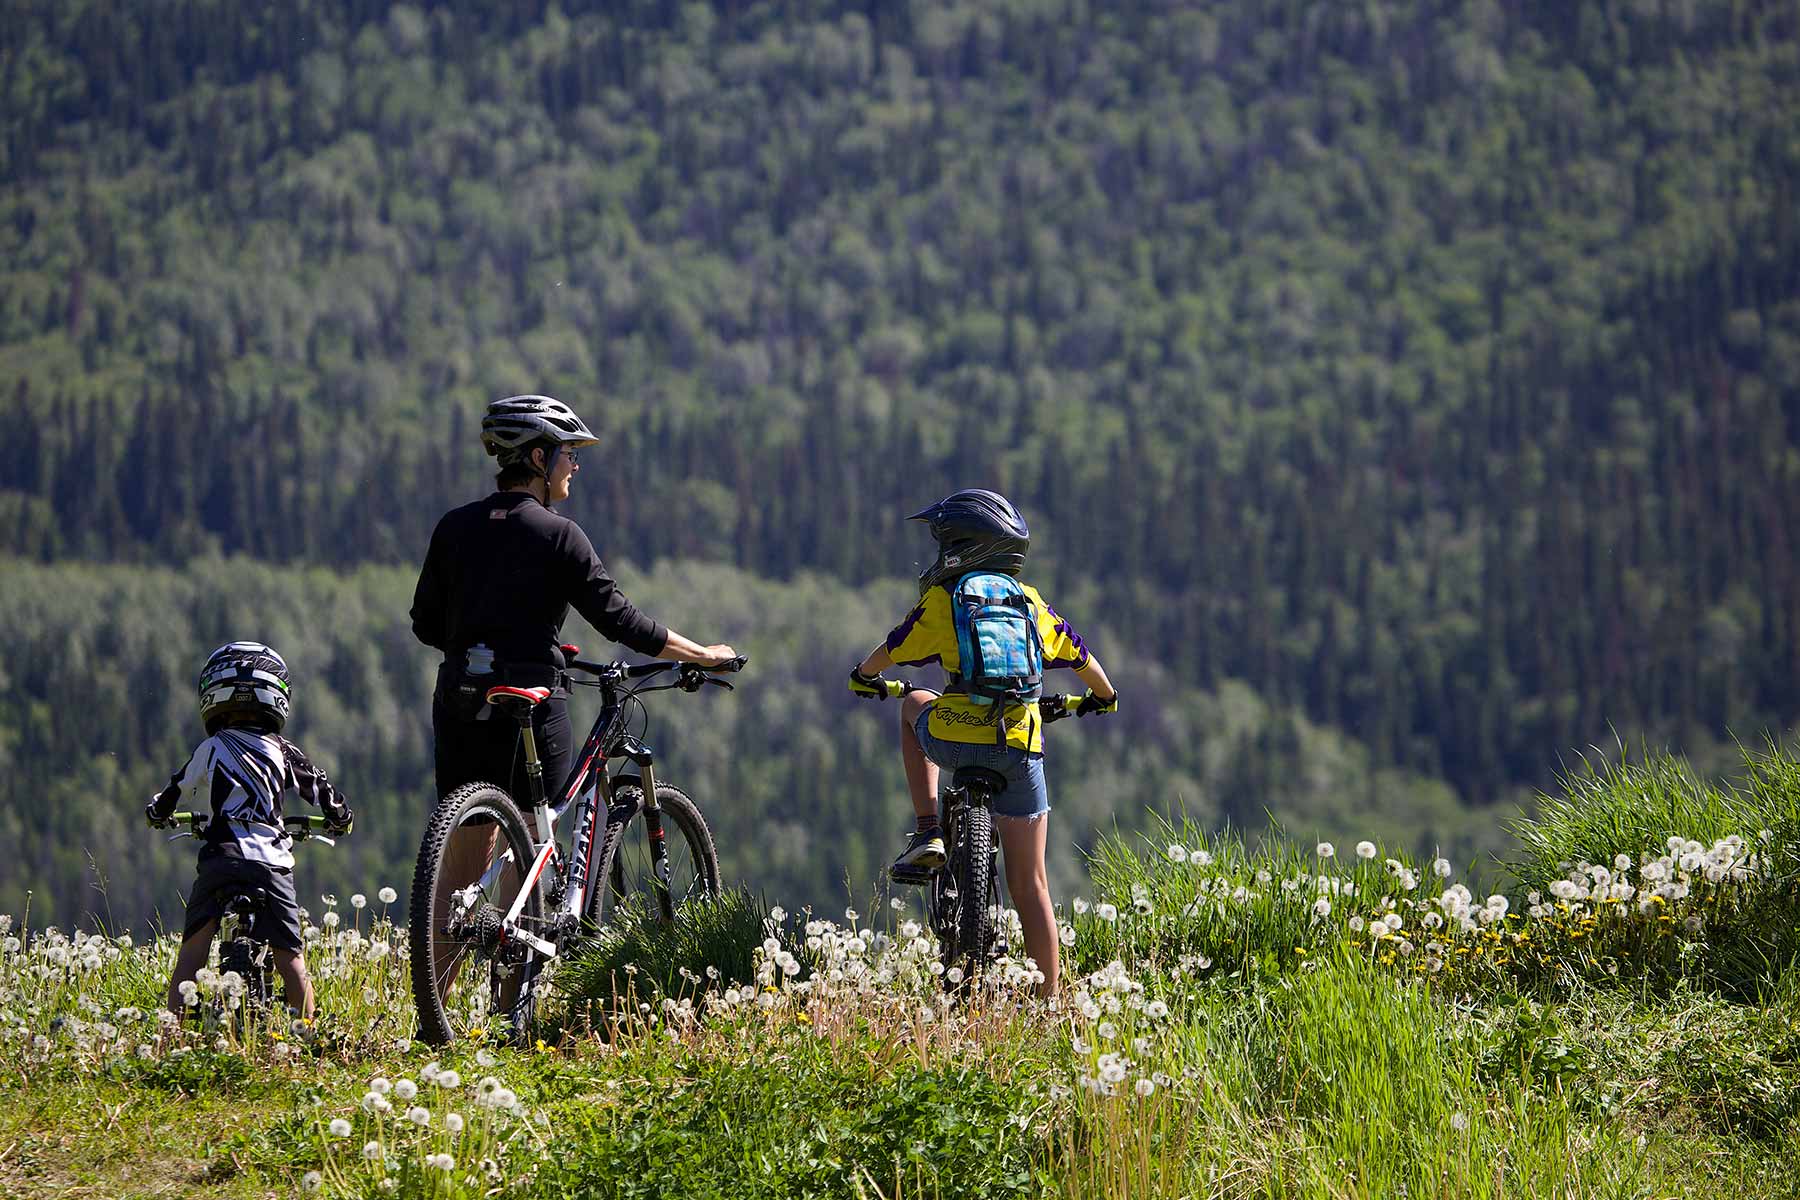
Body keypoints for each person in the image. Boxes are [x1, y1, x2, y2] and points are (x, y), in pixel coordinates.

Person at [409, 394, 738, 964]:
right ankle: (514, 1008)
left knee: (466, 855)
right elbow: (622, 621)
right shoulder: (559, 535)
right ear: (538, 459)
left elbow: (425, 623)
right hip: (532, 701)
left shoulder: (453, 527)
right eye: (567, 454)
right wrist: (702, 654)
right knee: (536, 838)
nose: (574, 467)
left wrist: (481, 644)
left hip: (459, 700)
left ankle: (434, 1002)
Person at [848, 488, 1117, 998]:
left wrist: (863, 676)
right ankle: (1049, 1004)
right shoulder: (1031, 603)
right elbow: (1083, 658)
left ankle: (929, 829)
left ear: (959, 547)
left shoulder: (943, 600)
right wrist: (1102, 698)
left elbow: (896, 646)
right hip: (1018, 747)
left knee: (912, 706)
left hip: (951, 735)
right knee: (1030, 883)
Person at [146, 641, 353, 1020]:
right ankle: (310, 1037)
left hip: (220, 858)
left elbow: (174, 790)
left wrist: (158, 813)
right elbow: (324, 793)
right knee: (291, 958)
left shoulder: (211, 747)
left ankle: (167, 1039)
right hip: (271, 863)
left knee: (191, 954)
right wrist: (341, 818)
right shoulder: (284, 751)